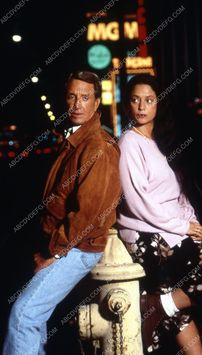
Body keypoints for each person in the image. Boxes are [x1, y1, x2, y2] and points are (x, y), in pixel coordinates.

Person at [3, 71, 121, 355]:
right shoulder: (75, 141)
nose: (77, 104)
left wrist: (53, 253)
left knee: (24, 315)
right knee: (34, 317)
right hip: (65, 243)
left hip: (79, 246)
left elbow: (88, 214)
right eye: (72, 96)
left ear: (96, 104)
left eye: (85, 97)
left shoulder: (97, 146)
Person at [117, 74, 202, 354]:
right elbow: (137, 202)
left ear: (159, 103)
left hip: (171, 231)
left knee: (182, 317)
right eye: (135, 100)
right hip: (149, 236)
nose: (142, 106)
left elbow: (176, 193)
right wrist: (182, 227)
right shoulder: (128, 143)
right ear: (128, 106)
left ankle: (161, 303)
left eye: (149, 100)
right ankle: (158, 304)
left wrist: (190, 219)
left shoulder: (159, 143)